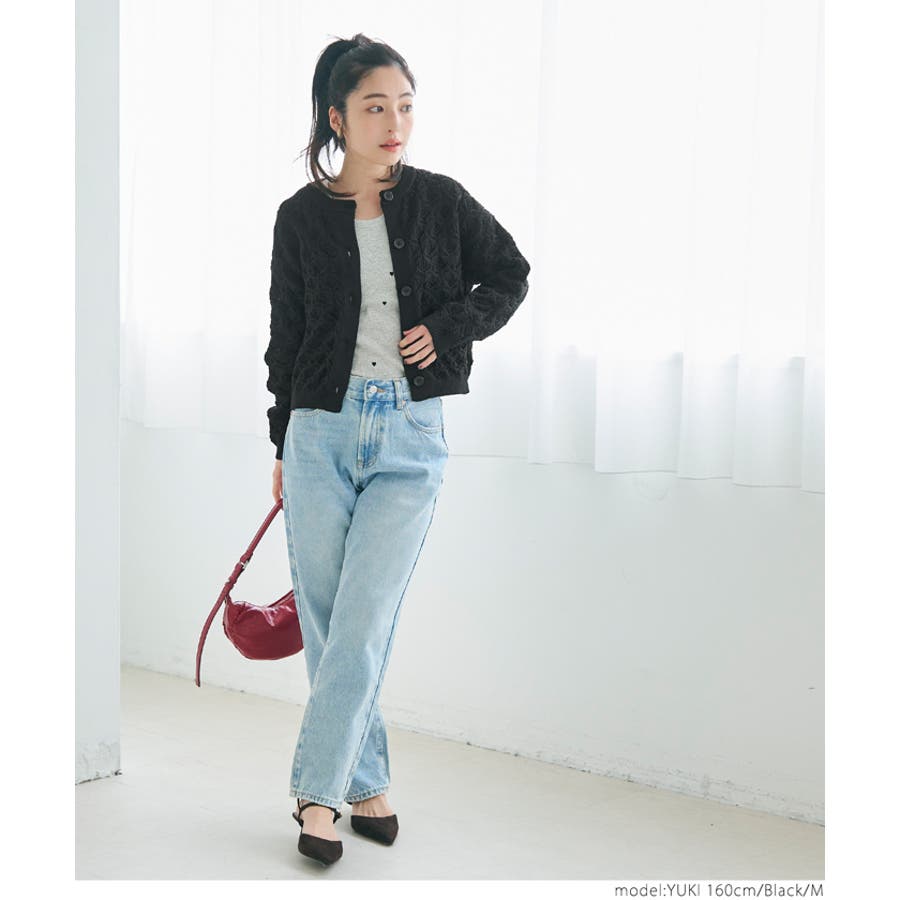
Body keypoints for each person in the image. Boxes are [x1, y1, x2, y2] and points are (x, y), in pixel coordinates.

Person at [265, 32, 530, 866]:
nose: (396, 124)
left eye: (406, 107)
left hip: (410, 436)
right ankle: (367, 781)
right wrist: (280, 444)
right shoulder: (299, 217)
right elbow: (285, 338)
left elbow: (511, 274)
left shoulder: (441, 201)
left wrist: (449, 327)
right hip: (319, 431)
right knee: (330, 619)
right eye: (376, 107)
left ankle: (315, 793)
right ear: (337, 117)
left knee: (364, 619)